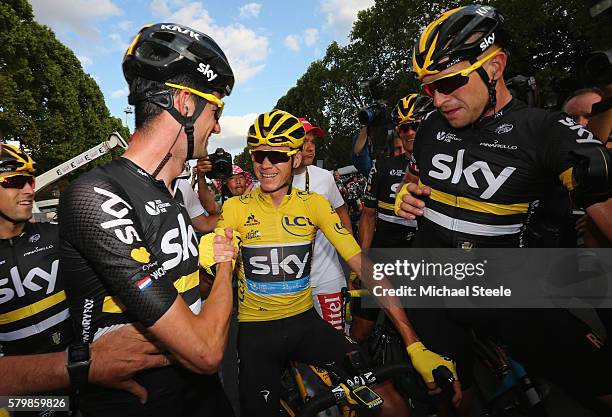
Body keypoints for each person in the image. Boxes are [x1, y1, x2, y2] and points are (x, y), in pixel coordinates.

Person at [398, 4, 612, 411]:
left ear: (494, 66)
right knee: (450, 399)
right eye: (429, 88)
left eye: (450, 83)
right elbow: (415, 180)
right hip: (433, 287)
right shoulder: (429, 126)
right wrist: (408, 194)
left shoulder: (544, 130)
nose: (439, 99)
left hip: (508, 292)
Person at [208, 109, 455, 416]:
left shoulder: (313, 204)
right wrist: (215, 258)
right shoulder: (234, 207)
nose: (266, 165)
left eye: (277, 156)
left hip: (305, 323)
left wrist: (413, 343)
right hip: (257, 334)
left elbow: (365, 267)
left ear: (296, 159)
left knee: (389, 401)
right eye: (259, 156)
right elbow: (220, 268)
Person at [58, 23, 236, 417]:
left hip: (198, 395)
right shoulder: (97, 195)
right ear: (186, 103)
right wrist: (226, 268)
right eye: (216, 110)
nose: (219, 126)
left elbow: (181, 296)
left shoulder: (167, 193)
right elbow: (205, 351)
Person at [0, 144, 171, 412]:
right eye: (15, 181)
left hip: (87, 383)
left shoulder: (57, 233)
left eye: (30, 180)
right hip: (20, 397)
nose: (29, 189)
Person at [353, 94, 432, 343]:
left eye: (415, 126)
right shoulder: (384, 166)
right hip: (383, 258)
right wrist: (363, 260)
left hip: (422, 261)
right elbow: (367, 215)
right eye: (404, 127)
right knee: (360, 332)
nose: (409, 133)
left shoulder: (447, 165)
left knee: (423, 333)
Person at [292, 117, 352, 329]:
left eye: (312, 142)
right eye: (304, 141)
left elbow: (342, 212)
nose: (310, 147)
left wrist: (351, 256)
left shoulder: (324, 177)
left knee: (338, 345)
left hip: (327, 277)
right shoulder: (272, 179)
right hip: (289, 286)